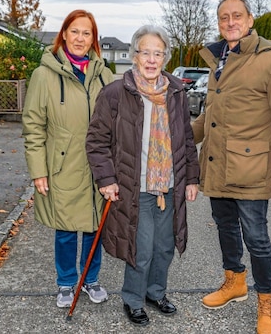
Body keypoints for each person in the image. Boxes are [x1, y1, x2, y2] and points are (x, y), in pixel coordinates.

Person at [191, 0, 271, 334]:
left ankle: (266, 302)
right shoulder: (219, 59)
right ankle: (234, 282)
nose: (230, 22)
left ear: (251, 19)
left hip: (251, 168)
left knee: (256, 238)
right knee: (225, 228)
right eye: (224, 17)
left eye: (237, 16)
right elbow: (210, 115)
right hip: (217, 164)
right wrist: (176, 138)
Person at [85, 25, 200, 326]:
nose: (151, 59)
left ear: (165, 57)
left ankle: (155, 292)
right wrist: (106, 179)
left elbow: (186, 139)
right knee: (142, 248)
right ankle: (133, 299)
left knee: (165, 246)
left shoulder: (175, 92)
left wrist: (192, 178)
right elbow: (96, 141)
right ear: (135, 56)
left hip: (170, 186)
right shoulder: (115, 93)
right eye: (145, 52)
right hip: (135, 187)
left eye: (157, 53)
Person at [22, 9, 114, 309]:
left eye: (86, 33)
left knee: (92, 227)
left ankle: (90, 279)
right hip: (61, 167)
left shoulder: (105, 75)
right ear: (63, 34)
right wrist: (39, 171)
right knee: (65, 231)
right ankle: (65, 282)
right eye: (75, 31)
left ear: (93, 39)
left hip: (97, 167)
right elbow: (33, 127)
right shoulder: (44, 75)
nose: (80, 38)